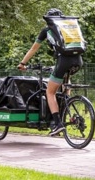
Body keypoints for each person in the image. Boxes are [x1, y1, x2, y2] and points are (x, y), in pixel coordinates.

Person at [17, 8, 83, 136]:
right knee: (65, 81)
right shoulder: (67, 29)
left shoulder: (47, 30)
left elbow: (33, 49)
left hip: (63, 61)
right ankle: (66, 104)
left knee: (50, 92)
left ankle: (58, 124)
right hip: (78, 61)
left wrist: (22, 63)